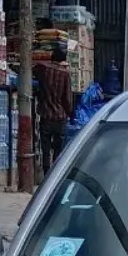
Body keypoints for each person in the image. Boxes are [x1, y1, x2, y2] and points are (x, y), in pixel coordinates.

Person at [35, 42, 74, 175]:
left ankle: (46, 174)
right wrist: (70, 113)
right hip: (60, 118)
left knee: (45, 149)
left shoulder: (43, 70)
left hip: (45, 116)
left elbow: (36, 74)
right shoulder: (65, 74)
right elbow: (67, 99)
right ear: (63, 59)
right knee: (57, 150)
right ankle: (54, 176)